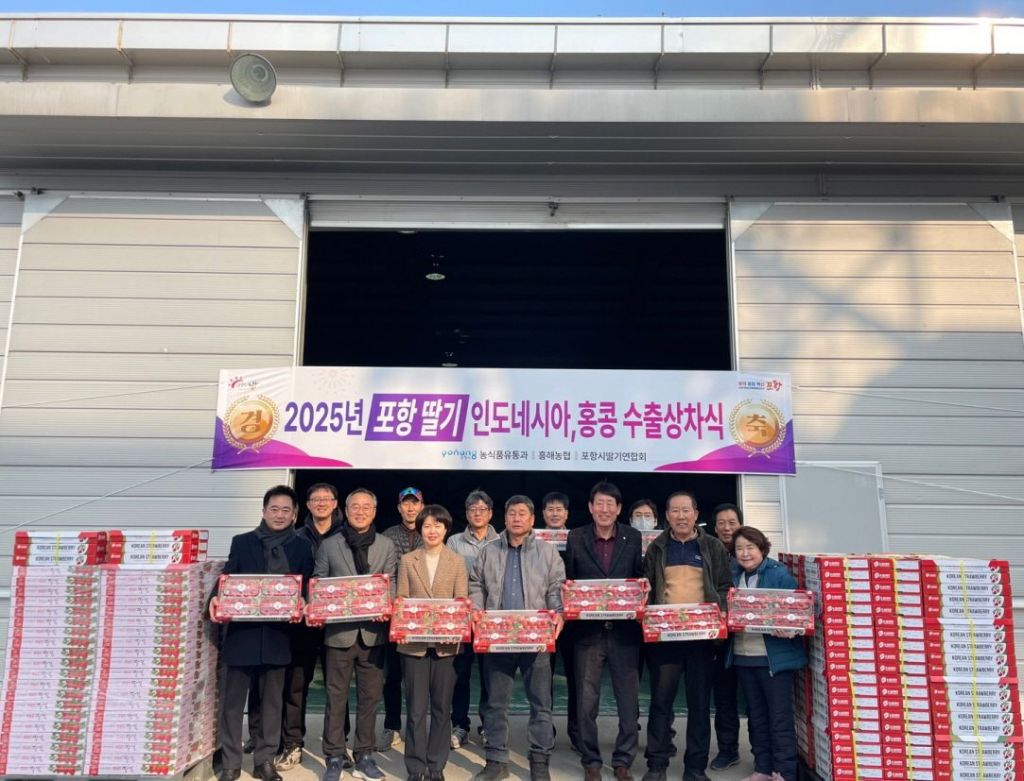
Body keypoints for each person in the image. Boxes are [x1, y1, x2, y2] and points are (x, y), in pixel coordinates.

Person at [209, 485, 314, 781]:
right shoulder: (242, 542)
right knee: (233, 704)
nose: (279, 515)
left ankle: (264, 761)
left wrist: (307, 602)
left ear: (294, 515)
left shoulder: (302, 547)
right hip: (243, 633)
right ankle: (231, 763)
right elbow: (227, 577)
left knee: (272, 703)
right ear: (264, 511)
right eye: (274, 509)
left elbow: (307, 585)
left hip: (279, 635)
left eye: (286, 510)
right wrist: (215, 598)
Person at [469, 495, 566, 781]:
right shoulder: (489, 551)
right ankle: (496, 761)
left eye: (523, 513)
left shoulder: (548, 552)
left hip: (536, 640)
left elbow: (556, 587)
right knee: (495, 704)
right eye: (512, 513)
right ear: (505, 517)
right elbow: (476, 584)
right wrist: (476, 610)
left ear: (532, 519)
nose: (517, 518)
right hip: (497, 638)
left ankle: (539, 762)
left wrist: (558, 613)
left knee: (541, 704)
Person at [642, 491, 732, 781]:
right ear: (667, 516)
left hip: (702, 639)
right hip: (666, 639)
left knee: (699, 704)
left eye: (686, 510)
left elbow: (724, 586)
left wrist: (717, 613)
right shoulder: (657, 547)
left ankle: (695, 768)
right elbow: (647, 588)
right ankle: (656, 765)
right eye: (675, 511)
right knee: (661, 702)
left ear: (696, 514)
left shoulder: (713, 546)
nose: (681, 516)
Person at [312, 488, 399, 781]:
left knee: (370, 698)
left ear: (374, 512)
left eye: (366, 507)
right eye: (355, 507)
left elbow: (391, 582)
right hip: (339, 634)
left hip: (373, 634)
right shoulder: (329, 545)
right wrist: (323, 604)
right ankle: (334, 755)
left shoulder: (386, 545)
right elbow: (319, 583)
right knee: (336, 697)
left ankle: (364, 755)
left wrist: (386, 605)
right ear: (345, 511)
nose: (360, 512)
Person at [565, 482, 644, 781]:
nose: (605, 509)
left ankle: (623, 760)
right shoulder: (576, 537)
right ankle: (591, 760)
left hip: (625, 633)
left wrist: (644, 586)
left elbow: (639, 574)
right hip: (588, 633)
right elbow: (570, 578)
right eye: (599, 503)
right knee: (586, 702)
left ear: (619, 509)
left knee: (628, 701)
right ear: (590, 507)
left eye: (611, 504)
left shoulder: (633, 537)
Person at [275, 483, 349, 772]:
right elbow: (285, 578)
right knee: (296, 686)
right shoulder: (294, 538)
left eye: (326, 499)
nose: (321, 503)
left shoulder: (347, 536)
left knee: (338, 688)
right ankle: (293, 743)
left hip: (336, 625)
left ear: (335, 503)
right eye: (315, 499)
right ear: (306, 505)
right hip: (302, 625)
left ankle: (339, 745)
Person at [727, 526, 807, 781]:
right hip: (743, 655)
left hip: (772, 657)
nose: (745, 553)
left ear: (762, 548)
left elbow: (798, 612)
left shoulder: (778, 574)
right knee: (756, 716)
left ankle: (783, 772)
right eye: (739, 548)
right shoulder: (733, 575)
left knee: (779, 717)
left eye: (750, 547)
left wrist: (789, 627)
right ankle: (762, 767)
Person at [396, 504, 469, 781]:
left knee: (441, 708)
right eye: (427, 525)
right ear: (420, 529)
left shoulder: (457, 561)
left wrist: (456, 626)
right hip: (413, 645)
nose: (432, 530)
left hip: (446, 646)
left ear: (446, 529)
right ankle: (416, 767)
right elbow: (402, 600)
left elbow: (461, 600)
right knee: (415, 709)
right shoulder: (408, 561)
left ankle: (436, 765)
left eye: (438, 525)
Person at [447, 489, 500, 749]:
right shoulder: (454, 542)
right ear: (466, 513)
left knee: (492, 676)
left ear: (491, 513)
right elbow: (448, 577)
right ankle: (460, 725)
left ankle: (489, 726)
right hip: (462, 619)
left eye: (482, 509)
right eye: (472, 509)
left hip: (492, 620)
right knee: (460, 675)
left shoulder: (502, 540)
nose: (477, 513)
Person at [382, 487, 427, 751]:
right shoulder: (387, 536)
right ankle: (391, 726)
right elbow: (386, 574)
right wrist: (395, 604)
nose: (411, 508)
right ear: (399, 508)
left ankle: (416, 727)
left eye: (415, 503)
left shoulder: (431, 532)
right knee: (392, 676)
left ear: (422, 506)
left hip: (423, 617)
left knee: (418, 677)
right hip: (395, 615)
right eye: (406, 504)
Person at [540, 490, 580, 754]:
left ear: (566, 514)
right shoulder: (534, 542)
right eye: (550, 509)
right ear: (543, 514)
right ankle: (546, 731)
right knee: (543, 677)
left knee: (577, 676)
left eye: (559, 509)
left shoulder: (578, 539)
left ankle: (577, 731)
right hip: (544, 618)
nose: (554, 514)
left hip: (574, 619)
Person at [708, 502, 745, 772]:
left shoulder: (749, 554)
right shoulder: (708, 552)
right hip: (720, 639)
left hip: (750, 640)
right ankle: (728, 750)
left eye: (731, 522)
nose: (726, 527)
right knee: (724, 696)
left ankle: (763, 756)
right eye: (721, 523)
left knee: (755, 699)